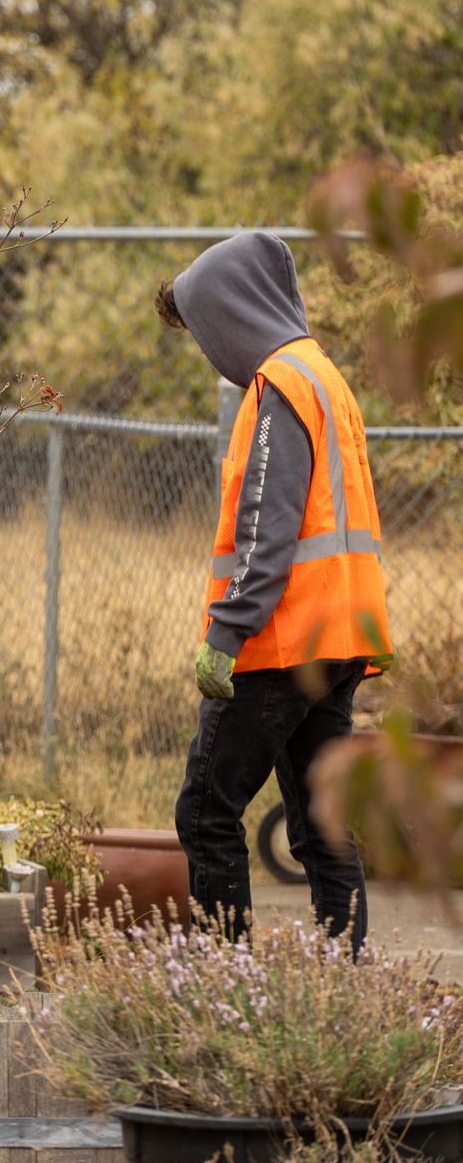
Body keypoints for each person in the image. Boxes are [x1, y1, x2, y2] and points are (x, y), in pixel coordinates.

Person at [159, 230, 390, 951]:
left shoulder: (280, 385)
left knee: (205, 813)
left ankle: (225, 990)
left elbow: (268, 524)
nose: (208, 348)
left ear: (233, 312)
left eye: (205, 330)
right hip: (342, 635)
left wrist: (226, 634)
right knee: (322, 821)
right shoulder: (325, 374)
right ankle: (343, 993)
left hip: (281, 645)